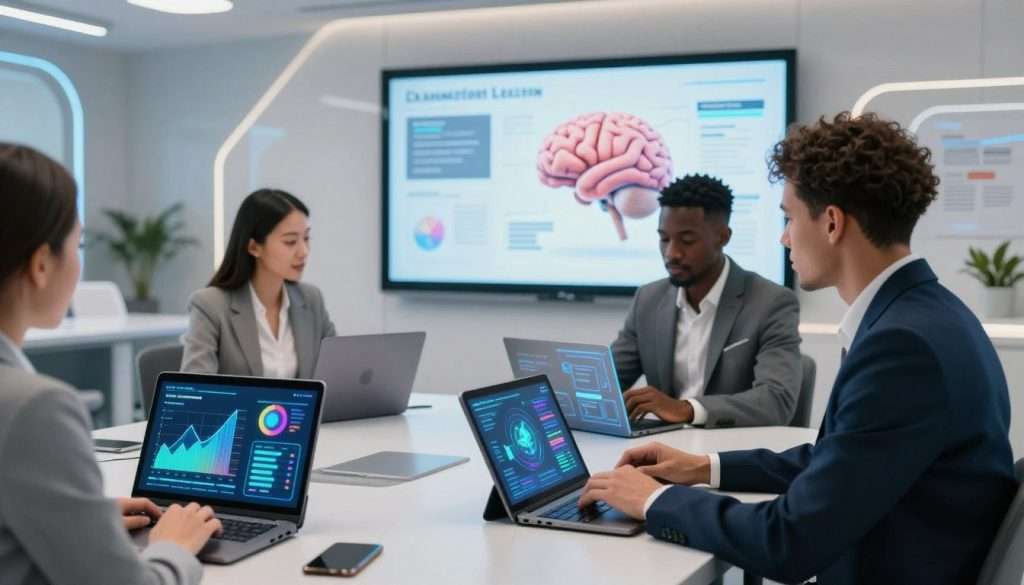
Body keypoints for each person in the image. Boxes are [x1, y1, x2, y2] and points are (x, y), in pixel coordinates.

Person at [579, 113, 1018, 584]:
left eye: (788, 218)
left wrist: (651, 500)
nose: (784, 237)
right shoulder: (929, 314)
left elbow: (787, 542)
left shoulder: (901, 346)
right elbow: (842, 461)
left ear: (831, 223)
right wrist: (704, 467)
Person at [0, 143, 222, 585]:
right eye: (78, 243)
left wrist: (80, 524)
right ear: (41, 263)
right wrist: (172, 548)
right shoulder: (34, 408)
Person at [611, 173, 801, 428]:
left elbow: (776, 402)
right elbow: (607, 382)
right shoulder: (648, 299)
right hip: (661, 452)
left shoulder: (772, 302)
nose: (672, 253)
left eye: (687, 240)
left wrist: (685, 409)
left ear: (723, 237)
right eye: (664, 238)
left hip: (732, 457)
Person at [181, 188, 336, 378]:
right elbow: (196, 389)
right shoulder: (210, 306)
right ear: (254, 247)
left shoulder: (311, 299)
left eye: (306, 238)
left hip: (300, 409)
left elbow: (336, 373)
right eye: (290, 242)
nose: (303, 251)